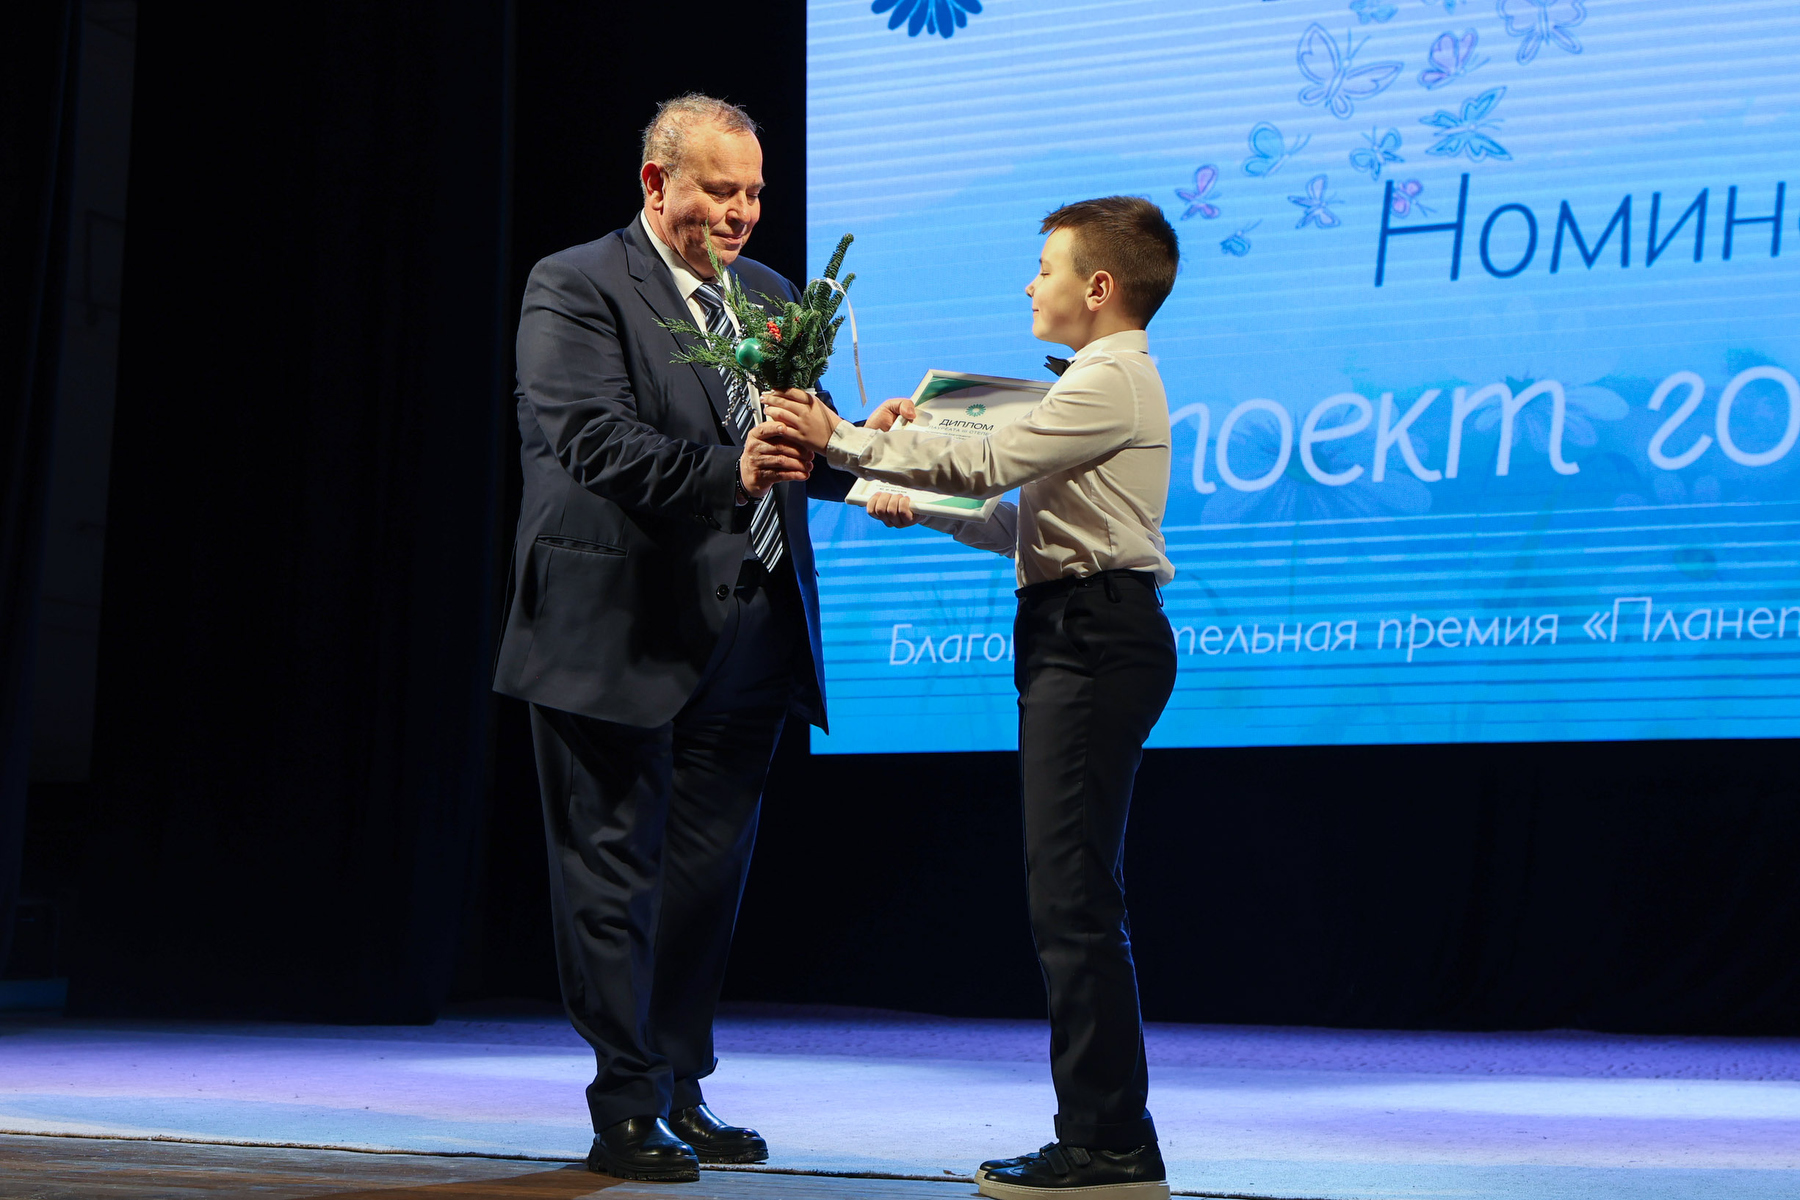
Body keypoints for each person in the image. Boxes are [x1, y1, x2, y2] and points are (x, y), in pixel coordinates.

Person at [493, 93, 899, 1183]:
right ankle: (625, 1105)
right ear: (655, 182)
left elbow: (796, 446)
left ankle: (679, 1083)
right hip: (615, 625)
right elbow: (592, 441)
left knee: (703, 884)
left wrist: (860, 446)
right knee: (611, 874)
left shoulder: (767, 295)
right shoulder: (575, 284)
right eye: (720, 190)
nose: (741, 212)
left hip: (750, 629)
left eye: (754, 192)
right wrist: (734, 470)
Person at [765, 196, 1181, 1200]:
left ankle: (1110, 1144)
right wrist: (922, 508)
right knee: (1069, 891)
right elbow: (1017, 520)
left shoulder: (1111, 377)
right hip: (1074, 630)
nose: (1029, 285)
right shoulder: (1101, 380)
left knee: (1073, 898)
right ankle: (1106, 1135)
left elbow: (991, 458)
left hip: (1094, 637)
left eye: (1046, 267)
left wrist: (841, 438)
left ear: (1099, 286)